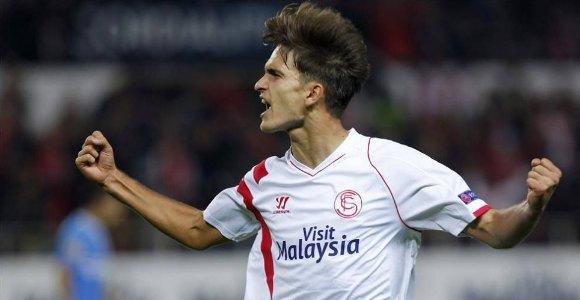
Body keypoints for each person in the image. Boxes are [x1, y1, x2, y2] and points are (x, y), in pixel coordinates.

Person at [75, 2, 562, 299]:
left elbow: (497, 230)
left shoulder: (392, 168)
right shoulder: (263, 180)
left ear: (313, 92)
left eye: (274, 74)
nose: (258, 84)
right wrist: (114, 179)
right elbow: (200, 230)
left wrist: (532, 204)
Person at [55, 190, 126, 300]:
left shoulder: (100, 229)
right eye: (115, 203)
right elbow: (65, 270)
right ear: (101, 202)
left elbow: (101, 273)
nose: (119, 210)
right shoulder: (76, 227)